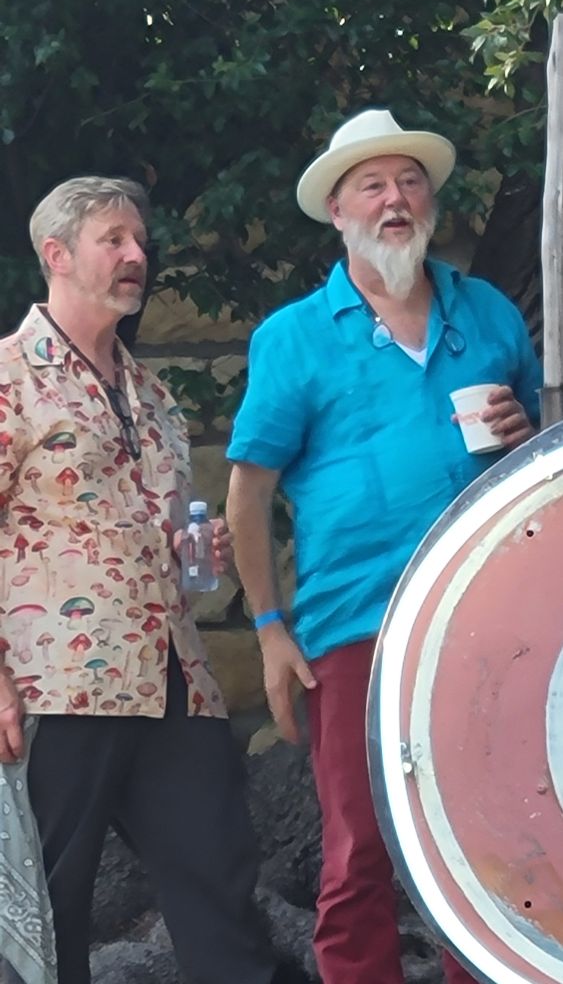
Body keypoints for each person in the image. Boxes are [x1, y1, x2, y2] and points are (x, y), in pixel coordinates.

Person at [225, 108, 541, 984]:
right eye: (371, 185)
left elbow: (534, 474)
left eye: (408, 181)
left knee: (497, 842)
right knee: (359, 854)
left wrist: (523, 437)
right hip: (354, 624)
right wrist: (269, 627)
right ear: (337, 209)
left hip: (489, 623)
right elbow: (247, 495)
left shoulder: (486, 315)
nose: (394, 198)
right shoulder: (292, 337)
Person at [0, 176, 295, 984]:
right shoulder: (9, 378)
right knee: (45, 909)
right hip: (52, 687)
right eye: (114, 241)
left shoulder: (155, 395)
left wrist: (192, 550)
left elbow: (163, 540)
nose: (138, 255)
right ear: (56, 255)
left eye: (140, 241)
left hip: (174, 681)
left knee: (222, 880)